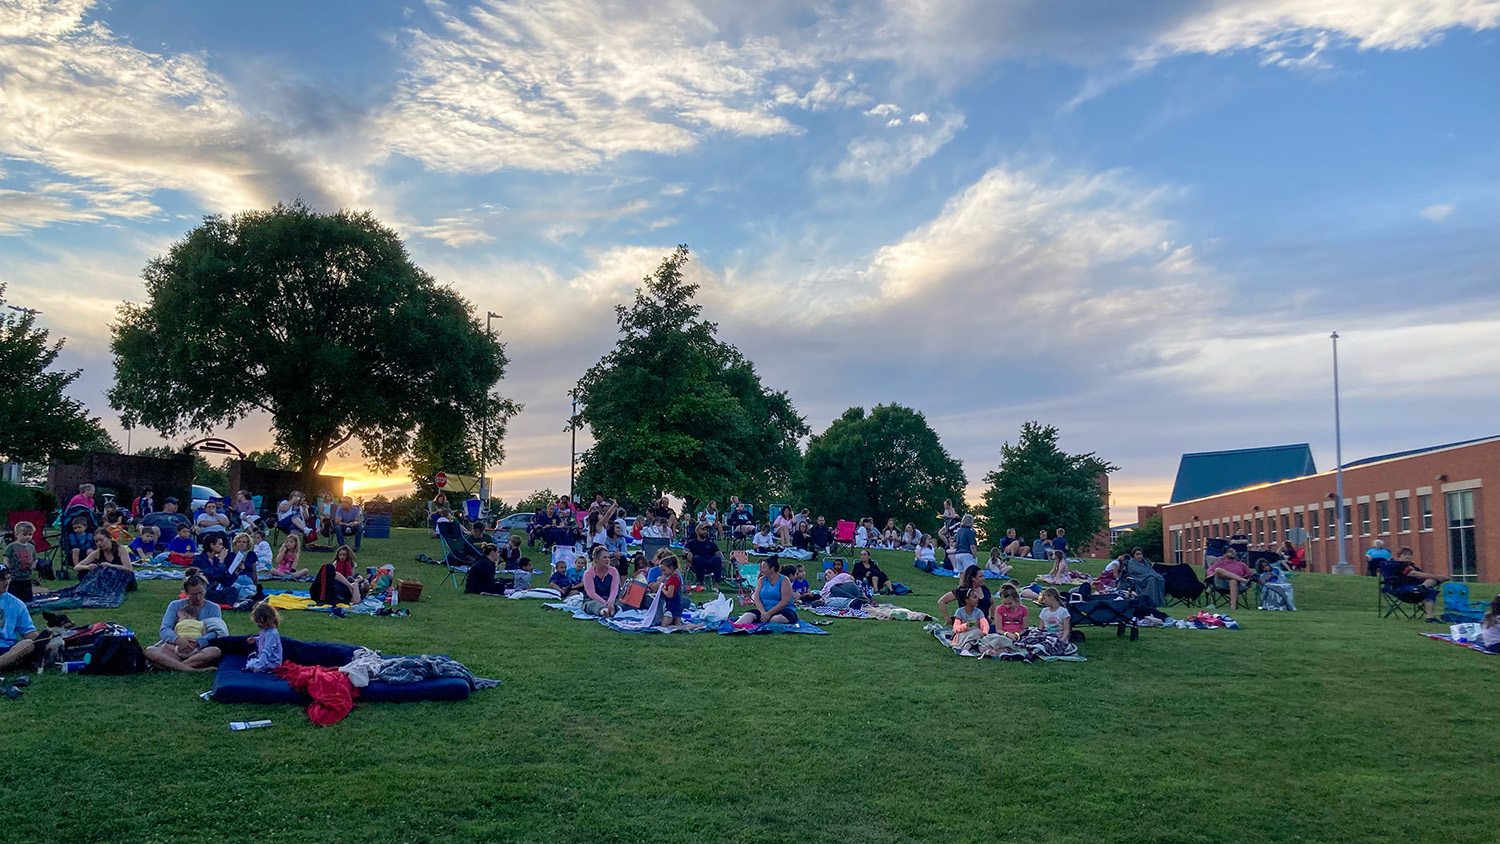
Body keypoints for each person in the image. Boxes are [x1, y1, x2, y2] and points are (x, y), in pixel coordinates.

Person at [144, 574, 224, 672]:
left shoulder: (213, 608)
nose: (198, 597)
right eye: (193, 594)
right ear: (186, 593)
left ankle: (171, 666)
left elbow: (216, 632)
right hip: (175, 648)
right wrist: (178, 640)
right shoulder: (175, 605)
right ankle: (193, 669)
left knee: (215, 651)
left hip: (199, 650)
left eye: (201, 593)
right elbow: (165, 629)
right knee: (150, 651)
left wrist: (198, 642)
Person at [1381, 547, 1448, 622]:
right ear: (1399, 556)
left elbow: (1421, 577)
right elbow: (1413, 574)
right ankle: (1421, 588)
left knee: (1430, 588)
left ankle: (1430, 617)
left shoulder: (1414, 567)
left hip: (1416, 590)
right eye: (1404, 554)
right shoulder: (1398, 565)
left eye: (1409, 554)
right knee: (1432, 581)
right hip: (1401, 589)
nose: (1407, 556)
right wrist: (1436, 577)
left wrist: (1439, 578)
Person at [735, 556, 797, 626]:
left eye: (764, 568)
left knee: (775, 620)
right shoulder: (761, 580)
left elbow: (785, 601)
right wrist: (763, 613)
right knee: (747, 616)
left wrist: (769, 613)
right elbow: (757, 598)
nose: (761, 570)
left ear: (772, 568)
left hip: (783, 610)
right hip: (764, 610)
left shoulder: (784, 580)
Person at [0, 564, 39, 670]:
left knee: (27, 644)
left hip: (7, 649)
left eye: (8, 578)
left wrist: (46, 639)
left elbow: (29, 633)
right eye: (2, 579)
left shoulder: (16, 604)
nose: (7, 583)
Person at [241, 602, 284, 672]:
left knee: (252, 664)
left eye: (260, 622)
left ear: (268, 620)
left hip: (272, 662)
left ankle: (260, 668)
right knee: (251, 661)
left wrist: (259, 664)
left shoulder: (272, 633)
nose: (258, 625)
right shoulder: (265, 630)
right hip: (266, 659)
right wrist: (256, 639)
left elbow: (267, 650)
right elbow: (263, 639)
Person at [581, 547, 621, 618]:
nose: (607, 560)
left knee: (618, 604)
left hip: (609, 598)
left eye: (608, 557)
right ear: (596, 559)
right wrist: (605, 603)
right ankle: (604, 611)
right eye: (604, 557)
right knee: (592, 605)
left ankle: (610, 611)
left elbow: (614, 589)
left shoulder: (613, 571)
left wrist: (610, 602)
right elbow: (591, 593)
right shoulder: (588, 573)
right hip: (593, 599)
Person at [3, 521, 38, 602]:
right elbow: (6, 557)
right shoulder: (12, 546)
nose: (28, 537)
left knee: (27, 594)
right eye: (25, 534)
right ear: (16, 534)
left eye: (30, 534)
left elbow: (35, 558)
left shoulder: (31, 547)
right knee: (14, 594)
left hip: (26, 576)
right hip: (14, 576)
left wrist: (33, 565)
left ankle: (27, 605)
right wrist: (7, 568)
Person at [684, 524, 723, 589]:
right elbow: (684, 551)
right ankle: (700, 583)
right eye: (703, 529)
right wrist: (687, 553)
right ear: (697, 531)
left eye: (706, 530)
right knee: (697, 558)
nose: (705, 531)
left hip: (709, 563)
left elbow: (718, 553)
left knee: (717, 559)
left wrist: (722, 560)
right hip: (696, 564)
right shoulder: (691, 543)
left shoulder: (711, 543)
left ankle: (716, 586)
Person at [655, 554, 687, 627]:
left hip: (672, 606)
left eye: (664, 570)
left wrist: (662, 588)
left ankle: (690, 627)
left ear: (671, 568)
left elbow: (669, 594)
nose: (663, 573)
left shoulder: (672, 580)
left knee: (664, 625)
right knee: (676, 623)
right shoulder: (677, 577)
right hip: (678, 604)